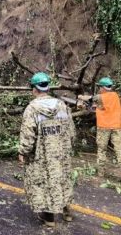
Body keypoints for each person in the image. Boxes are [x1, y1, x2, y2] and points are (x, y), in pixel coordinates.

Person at [18, 72, 76, 227]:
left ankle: (49, 218)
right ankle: (67, 211)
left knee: (44, 182)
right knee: (63, 178)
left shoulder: (32, 109)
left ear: (34, 89)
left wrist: (23, 152)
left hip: (42, 155)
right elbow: (71, 132)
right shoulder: (62, 105)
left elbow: (28, 136)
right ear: (48, 87)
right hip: (62, 152)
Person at [80, 77, 121, 182]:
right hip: (116, 126)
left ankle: (101, 173)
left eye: (100, 87)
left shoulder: (101, 96)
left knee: (102, 150)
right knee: (119, 149)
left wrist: (80, 96)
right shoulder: (115, 96)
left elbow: (89, 99)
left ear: (103, 87)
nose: (99, 89)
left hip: (104, 127)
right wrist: (95, 107)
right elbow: (103, 107)